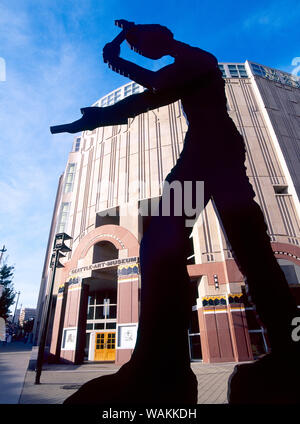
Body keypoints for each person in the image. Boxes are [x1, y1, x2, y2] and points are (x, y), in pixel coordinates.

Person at [51, 20, 300, 404]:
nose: (140, 51)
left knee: (245, 247)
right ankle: (159, 363)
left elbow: (157, 88)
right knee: (163, 243)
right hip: (200, 154)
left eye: (140, 44)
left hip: (214, 152)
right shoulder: (183, 64)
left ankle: (288, 348)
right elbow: (148, 98)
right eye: (135, 47)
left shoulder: (199, 59)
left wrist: (116, 62)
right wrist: (94, 117)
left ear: (157, 39)